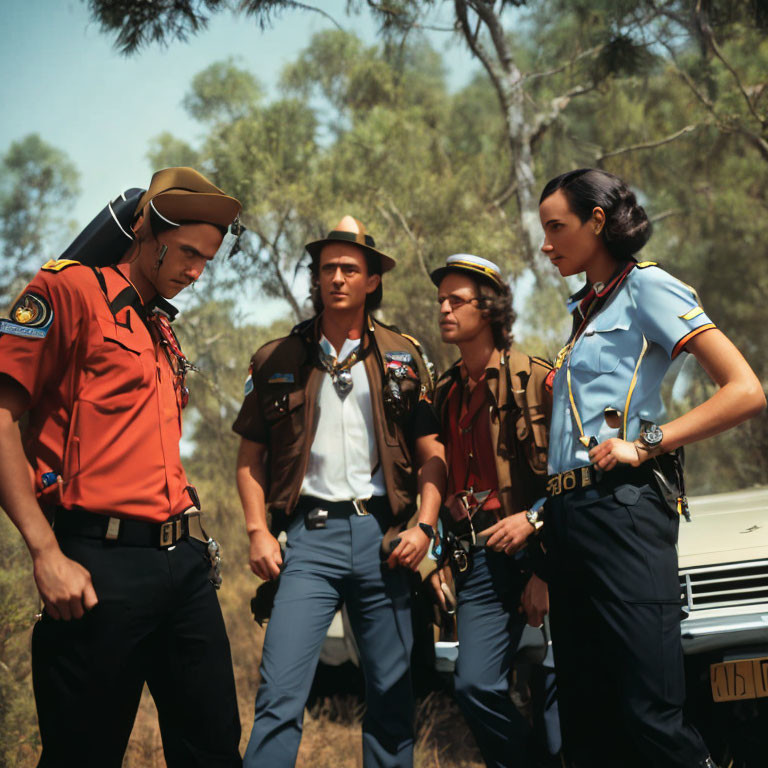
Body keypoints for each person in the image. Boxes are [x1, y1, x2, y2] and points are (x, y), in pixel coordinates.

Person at [0, 167, 244, 768]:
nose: (194, 271)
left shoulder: (159, 325)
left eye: (207, 260)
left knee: (214, 751)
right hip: (96, 569)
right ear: (146, 231)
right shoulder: (70, 291)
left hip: (185, 566)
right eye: (186, 252)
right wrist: (44, 552)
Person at [537, 168, 766, 768]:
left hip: (624, 514)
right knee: (587, 724)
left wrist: (648, 443)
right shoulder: (586, 310)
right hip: (568, 523)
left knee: (650, 715)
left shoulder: (649, 288)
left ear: (595, 222)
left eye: (556, 227)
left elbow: (744, 390)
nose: (545, 244)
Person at [233, 215, 446, 768]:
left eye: (350, 268)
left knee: (393, 699)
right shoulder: (276, 358)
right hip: (308, 540)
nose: (337, 278)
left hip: (384, 540)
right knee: (280, 694)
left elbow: (433, 455)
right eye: (327, 267)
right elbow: (249, 459)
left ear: (373, 279)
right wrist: (258, 531)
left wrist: (425, 525)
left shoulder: (403, 357)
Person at [429, 253, 555, 768]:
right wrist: (436, 551)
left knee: (556, 696)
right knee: (474, 685)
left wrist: (544, 566)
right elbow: (432, 484)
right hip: (478, 561)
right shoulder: (444, 392)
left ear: (491, 308)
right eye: (441, 300)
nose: (443, 309)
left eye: (456, 301)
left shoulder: (537, 381)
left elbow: (570, 483)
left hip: (543, 552)